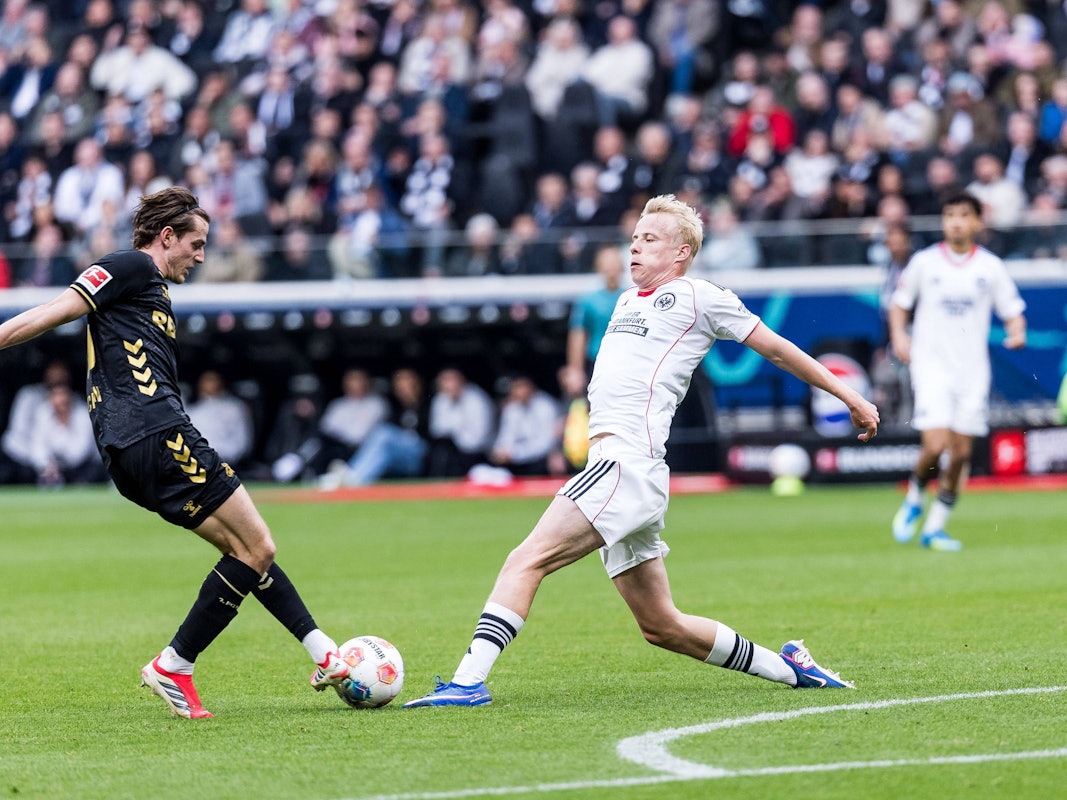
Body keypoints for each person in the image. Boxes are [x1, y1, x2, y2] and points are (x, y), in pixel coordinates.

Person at [403, 194, 880, 708]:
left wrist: (850, 396)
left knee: (526, 559)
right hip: (621, 468)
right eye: (633, 239)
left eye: (648, 240)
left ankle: (468, 682)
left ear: (681, 253)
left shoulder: (700, 295)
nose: (634, 249)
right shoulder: (628, 301)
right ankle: (791, 671)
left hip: (624, 465)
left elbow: (777, 348)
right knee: (662, 626)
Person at [0, 187, 353, 718]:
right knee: (256, 546)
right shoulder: (130, 266)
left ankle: (323, 651)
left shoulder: (147, 288)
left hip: (127, 451)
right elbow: (55, 310)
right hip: (157, 432)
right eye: (196, 242)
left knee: (248, 552)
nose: (202, 255)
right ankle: (175, 664)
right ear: (166, 237)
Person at [889, 192, 1027, 552]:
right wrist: (899, 336)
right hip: (931, 365)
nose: (955, 221)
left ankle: (934, 528)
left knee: (962, 454)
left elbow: (1013, 310)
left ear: (977, 222)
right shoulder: (924, 262)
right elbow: (899, 306)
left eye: (963, 215)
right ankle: (916, 494)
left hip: (972, 371)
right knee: (935, 445)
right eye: (950, 214)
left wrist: (1017, 331)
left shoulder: (990, 267)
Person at [566, 244, 627, 374]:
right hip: (596, 362)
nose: (611, 266)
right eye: (607, 262)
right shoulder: (587, 300)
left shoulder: (632, 297)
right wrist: (575, 370)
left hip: (626, 361)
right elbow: (578, 334)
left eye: (615, 262)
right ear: (599, 266)